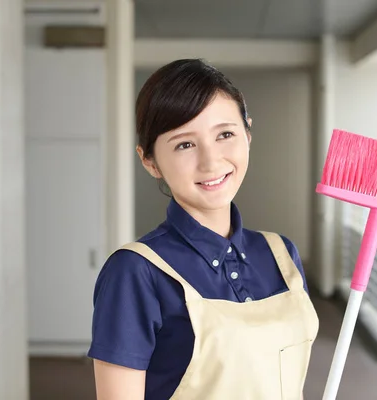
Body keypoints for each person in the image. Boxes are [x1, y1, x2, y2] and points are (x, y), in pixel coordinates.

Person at [88, 58, 319, 400]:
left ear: (248, 133)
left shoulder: (281, 253)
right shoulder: (136, 272)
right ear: (149, 161)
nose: (211, 161)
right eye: (185, 144)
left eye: (225, 134)